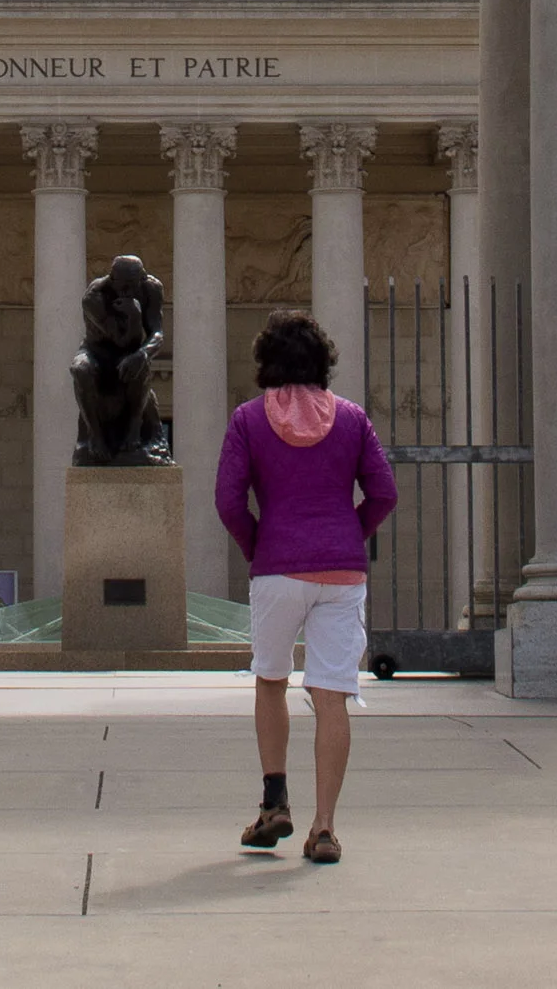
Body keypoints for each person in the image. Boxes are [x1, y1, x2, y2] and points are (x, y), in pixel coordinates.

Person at [214, 309, 396, 865]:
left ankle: (274, 805)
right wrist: (347, 534)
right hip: (341, 572)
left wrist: (259, 545)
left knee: (270, 679)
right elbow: (384, 493)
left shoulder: (248, 419)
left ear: (265, 362)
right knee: (331, 693)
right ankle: (324, 828)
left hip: (277, 567)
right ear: (324, 362)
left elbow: (228, 501)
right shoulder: (353, 419)